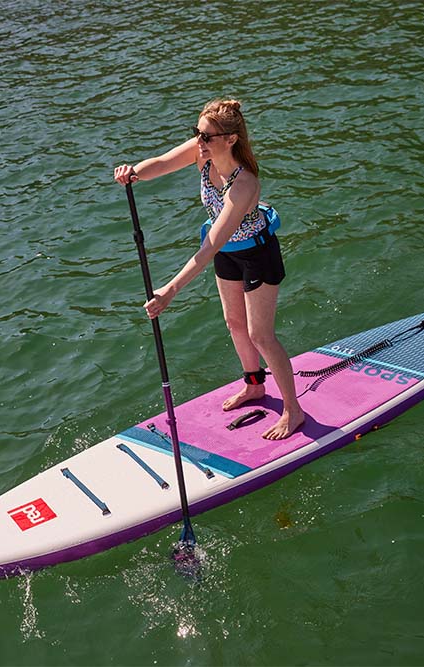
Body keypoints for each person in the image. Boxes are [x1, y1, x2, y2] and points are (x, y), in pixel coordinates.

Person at [114, 99, 305, 440]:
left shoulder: (244, 184)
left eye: (206, 136)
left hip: (257, 255)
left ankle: (294, 410)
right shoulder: (202, 153)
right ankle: (255, 385)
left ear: (230, 139)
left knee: (261, 335)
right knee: (235, 324)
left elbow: (210, 246)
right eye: (197, 133)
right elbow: (161, 163)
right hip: (227, 255)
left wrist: (170, 290)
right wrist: (134, 173)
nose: (199, 141)